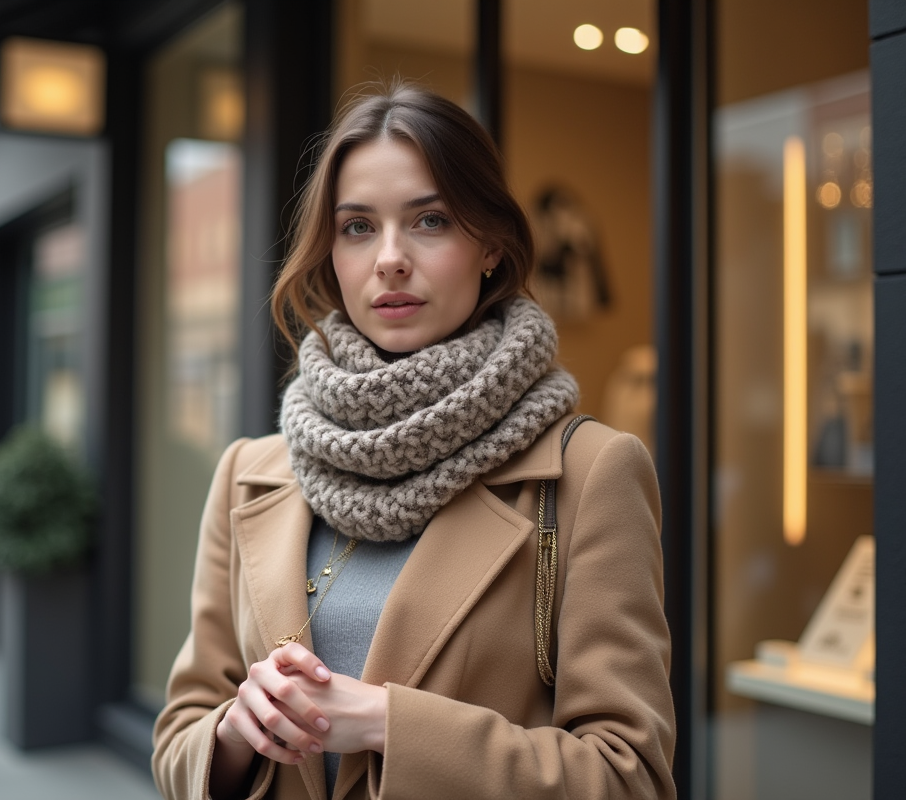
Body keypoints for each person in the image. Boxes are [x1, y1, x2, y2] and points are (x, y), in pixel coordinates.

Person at [152, 84, 675, 800]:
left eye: (429, 220)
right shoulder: (250, 471)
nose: (389, 258)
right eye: (358, 227)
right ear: (329, 252)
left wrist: (389, 723)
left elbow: (628, 777)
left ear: (490, 244)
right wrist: (238, 730)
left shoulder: (589, 473)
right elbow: (180, 733)